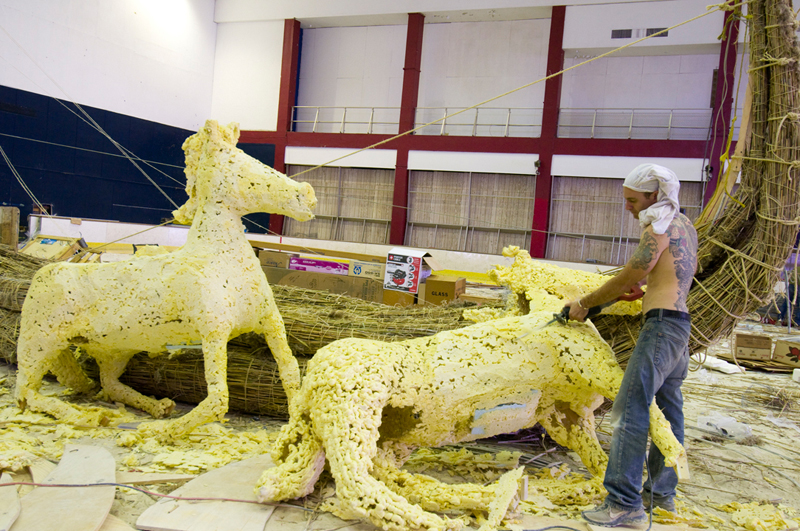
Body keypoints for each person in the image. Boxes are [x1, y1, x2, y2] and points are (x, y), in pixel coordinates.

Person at [567, 164, 698, 527]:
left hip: (660, 329)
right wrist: (647, 288)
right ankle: (661, 497)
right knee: (669, 415)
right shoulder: (684, 225)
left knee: (631, 412)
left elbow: (632, 270)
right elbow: (671, 272)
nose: (627, 206)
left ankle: (623, 504)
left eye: (632, 200)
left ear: (653, 196)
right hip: (680, 328)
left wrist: (587, 302)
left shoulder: (657, 227)